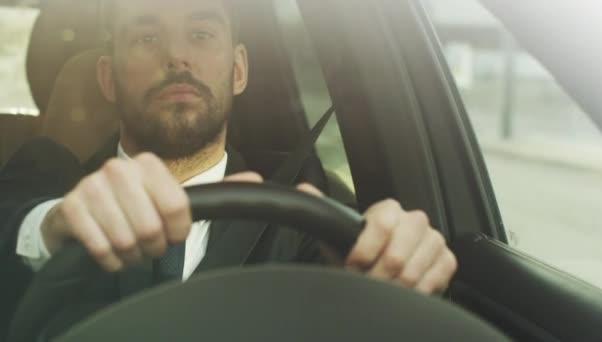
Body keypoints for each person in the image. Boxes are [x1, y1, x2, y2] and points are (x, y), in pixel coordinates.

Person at [0, 0, 457, 331]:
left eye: (201, 34)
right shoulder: (49, 175)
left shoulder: (310, 200)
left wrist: (397, 265)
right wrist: (53, 226)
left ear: (239, 71)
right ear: (108, 79)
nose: (176, 56)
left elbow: (361, 287)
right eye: (146, 37)